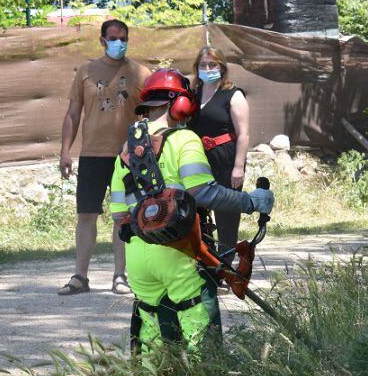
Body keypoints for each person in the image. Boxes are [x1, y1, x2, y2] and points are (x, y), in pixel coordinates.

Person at [108, 68, 274, 351]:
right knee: (199, 334)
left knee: (151, 334)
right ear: (180, 103)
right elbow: (204, 191)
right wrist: (251, 202)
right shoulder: (184, 140)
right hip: (179, 252)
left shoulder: (125, 150)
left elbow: (118, 215)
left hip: (138, 257)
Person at [58, 19, 150, 296]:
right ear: (102, 40)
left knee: (124, 217)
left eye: (123, 38)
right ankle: (79, 277)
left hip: (128, 157)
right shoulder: (85, 71)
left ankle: (120, 276)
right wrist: (65, 151)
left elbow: (151, 115)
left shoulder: (140, 73)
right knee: (86, 215)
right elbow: (73, 114)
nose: (119, 43)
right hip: (92, 156)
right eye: (113, 38)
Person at [189, 46, 251, 255]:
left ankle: (226, 268)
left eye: (212, 64)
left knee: (226, 215)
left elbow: (243, 134)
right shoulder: (192, 95)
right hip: (197, 160)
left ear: (222, 67)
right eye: (203, 65)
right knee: (196, 214)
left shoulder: (233, 94)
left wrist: (238, 167)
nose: (208, 68)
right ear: (197, 68)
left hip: (226, 158)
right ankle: (207, 266)